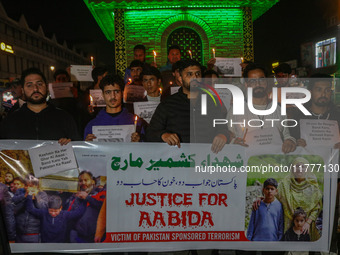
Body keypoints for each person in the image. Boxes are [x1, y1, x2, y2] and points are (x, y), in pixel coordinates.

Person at [146, 59, 229, 153]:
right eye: (189, 74)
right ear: (180, 79)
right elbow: (150, 133)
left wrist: (222, 135)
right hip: (179, 160)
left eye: (198, 74)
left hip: (207, 158)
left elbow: (223, 128)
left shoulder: (212, 101)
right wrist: (163, 135)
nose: (195, 78)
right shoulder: (168, 104)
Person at [227, 63, 296, 154]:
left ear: (266, 82)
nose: (258, 84)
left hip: (274, 164)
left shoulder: (278, 109)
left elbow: (286, 135)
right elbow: (228, 136)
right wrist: (233, 142)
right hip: (246, 163)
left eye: (261, 80)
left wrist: (291, 141)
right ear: (246, 84)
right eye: (253, 81)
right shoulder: (235, 110)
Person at [0, 68, 80, 143]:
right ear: (23, 90)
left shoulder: (65, 118)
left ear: (47, 87)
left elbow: (77, 148)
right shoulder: (11, 121)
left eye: (39, 84)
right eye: (29, 85)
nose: (35, 89)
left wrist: (70, 145)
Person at [84, 74, 145, 142]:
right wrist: (87, 144)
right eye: (108, 92)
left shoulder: (135, 123)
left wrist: (139, 143)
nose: (113, 96)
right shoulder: (92, 125)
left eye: (116, 91)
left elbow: (144, 150)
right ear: (102, 95)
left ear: (122, 93)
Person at [289, 74, 340, 149]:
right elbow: (290, 143)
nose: (323, 94)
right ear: (310, 92)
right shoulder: (298, 118)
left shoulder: (337, 117)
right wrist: (296, 145)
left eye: (327, 90)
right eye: (319, 90)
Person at [67, 170, 106, 243]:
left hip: (95, 238)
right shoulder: (75, 195)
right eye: (81, 181)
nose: (83, 183)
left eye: (86, 180)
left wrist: (87, 197)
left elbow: (104, 207)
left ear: (92, 181)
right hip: (78, 236)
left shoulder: (101, 192)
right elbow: (71, 214)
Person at [12, 175, 48, 243]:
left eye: (31, 186)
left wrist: (36, 198)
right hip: (18, 232)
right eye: (26, 185)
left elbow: (43, 210)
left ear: (36, 186)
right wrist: (24, 196)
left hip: (34, 233)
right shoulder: (20, 192)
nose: (28, 188)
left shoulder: (42, 194)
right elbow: (14, 207)